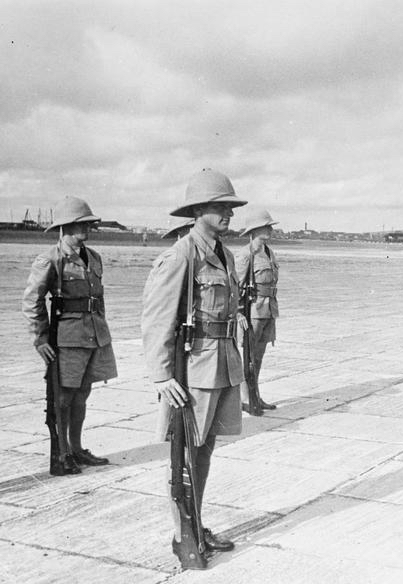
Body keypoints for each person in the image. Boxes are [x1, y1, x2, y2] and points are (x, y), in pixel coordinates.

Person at [142, 168, 247, 569]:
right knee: (184, 454)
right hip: (194, 369)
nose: (229, 214)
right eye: (221, 207)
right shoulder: (182, 253)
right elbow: (156, 318)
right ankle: (180, 533)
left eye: (230, 207)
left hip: (221, 363)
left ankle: (196, 524)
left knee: (204, 450)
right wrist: (162, 375)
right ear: (199, 209)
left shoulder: (225, 253)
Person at [22, 196, 118, 476]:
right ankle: (62, 452)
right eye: (79, 225)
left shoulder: (94, 257)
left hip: (95, 335)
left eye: (87, 224)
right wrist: (40, 339)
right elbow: (32, 301)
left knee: (83, 394)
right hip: (67, 338)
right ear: (64, 228)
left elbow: (97, 299)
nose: (85, 230)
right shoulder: (50, 259)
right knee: (63, 398)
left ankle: (76, 448)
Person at [235, 210, 281, 412]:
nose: (270, 229)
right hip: (252, 312)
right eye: (266, 226)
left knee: (259, 357)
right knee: (248, 357)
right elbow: (235, 287)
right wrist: (237, 313)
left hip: (268, 310)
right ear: (255, 230)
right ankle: (246, 399)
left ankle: (256, 396)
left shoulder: (269, 252)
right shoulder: (246, 255)